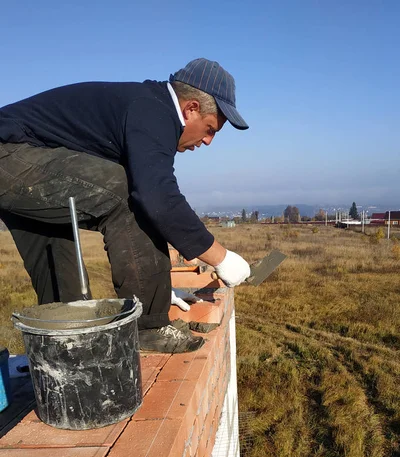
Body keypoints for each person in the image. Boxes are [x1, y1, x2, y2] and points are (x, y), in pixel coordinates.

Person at [0, 58, 250, 353]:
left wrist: (153, 285)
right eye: (210, 129)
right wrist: (220, 257)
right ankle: (148, 328)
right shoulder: (154, 111)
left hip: (21, 161)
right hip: (10, 153)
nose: (208, 141)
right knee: (126, 191)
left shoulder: (145, 105)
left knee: (60, 274)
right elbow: (156, 198)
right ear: (191, 108)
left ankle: (71, 348)